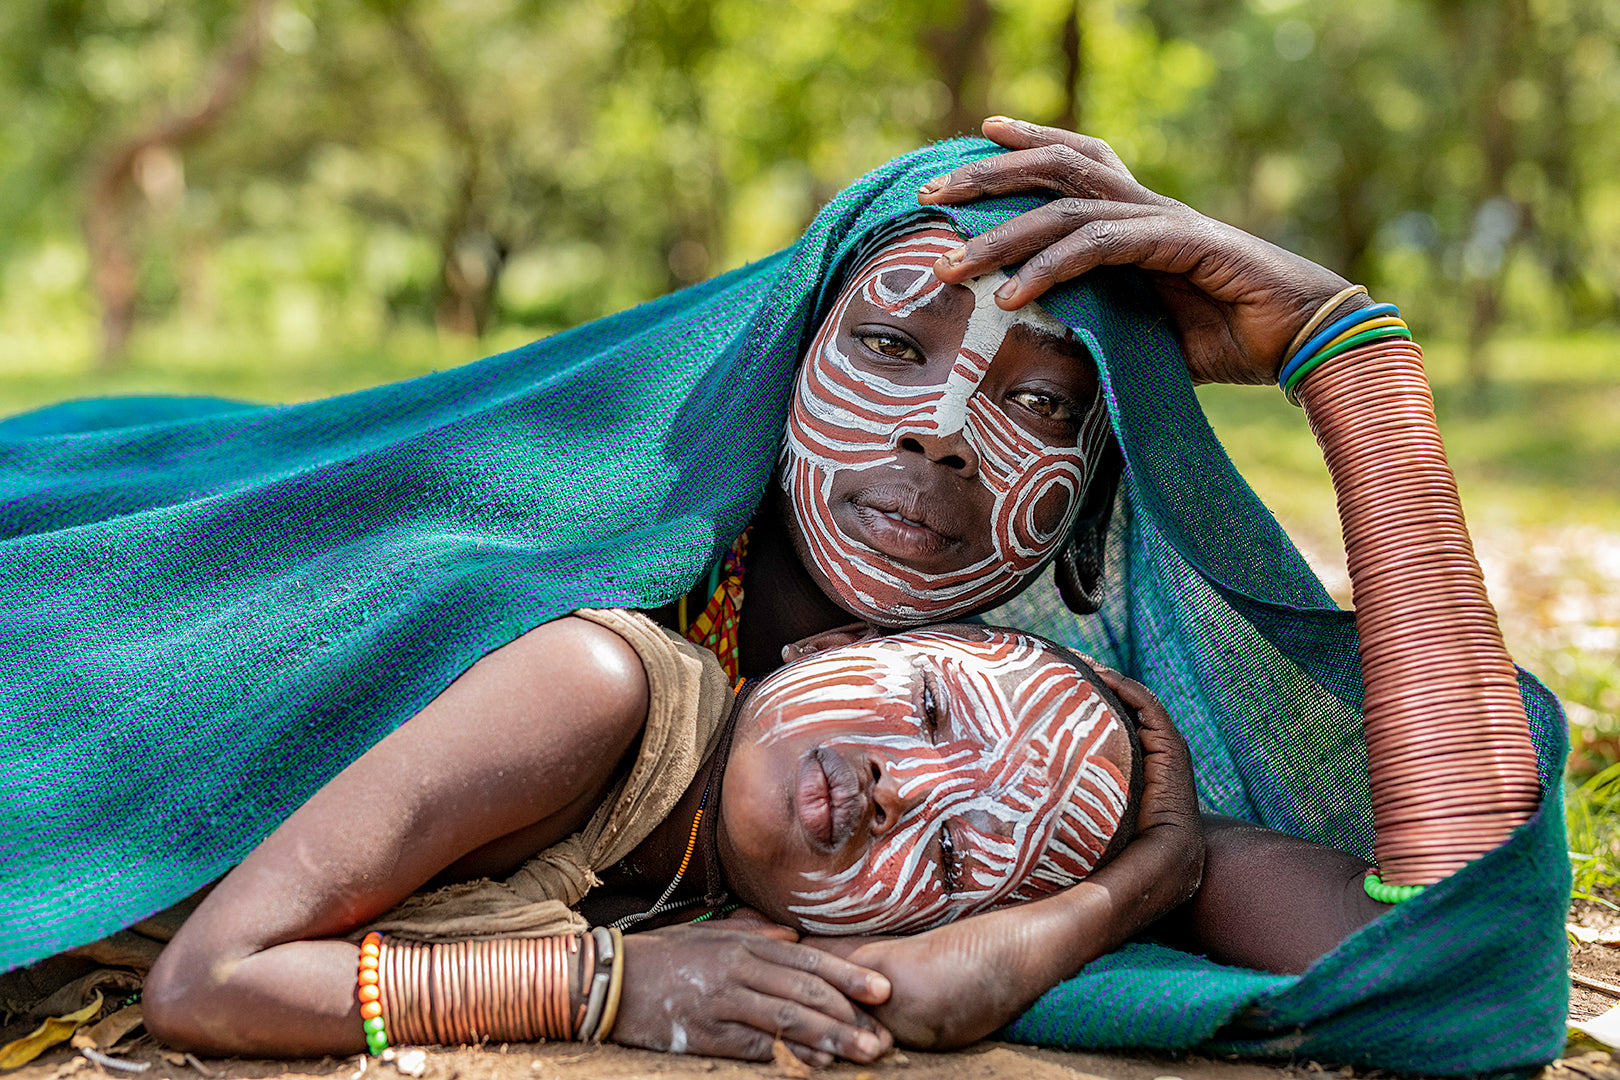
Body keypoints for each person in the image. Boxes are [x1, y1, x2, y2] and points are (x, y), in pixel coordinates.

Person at [1, 120, 1567, 1072]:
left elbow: (1458, 964)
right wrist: (609, 986)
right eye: (891, 346)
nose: (939, 434)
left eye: (1041, 403)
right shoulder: (578, 629)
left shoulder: (1036, 765)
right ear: (779, 355)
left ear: (1103, 485)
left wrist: (1350, 357)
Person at [138, 616, 1148, 1063]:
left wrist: (1154, 876)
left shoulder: (704, 902)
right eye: (930, 709)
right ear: (834, 644)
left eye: (953, 860)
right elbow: (205, 985)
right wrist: (607, 990)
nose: (904, 791)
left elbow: (923, 998)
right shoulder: (595, 685)